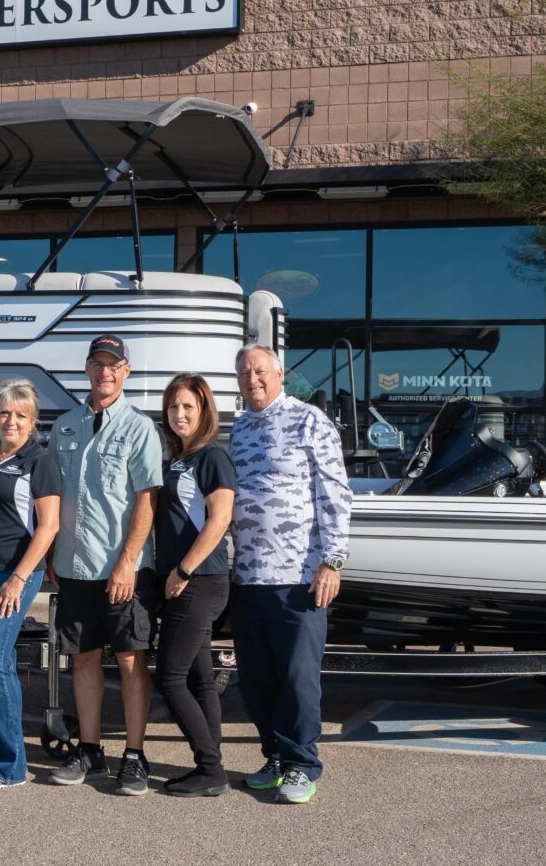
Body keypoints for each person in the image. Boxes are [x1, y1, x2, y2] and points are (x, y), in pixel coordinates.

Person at [230, 344, 351, 805]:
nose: (252, 379)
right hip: (248, 577)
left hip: (299, 575)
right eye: (244, 373)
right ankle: (276, 758)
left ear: (279, 373)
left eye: (260, 371)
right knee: (257, 676)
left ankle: (302, 764)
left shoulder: (309, 420)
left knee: (299, 676)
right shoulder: (239, 428)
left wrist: (333, 560)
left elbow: (335, 493)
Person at [48, 334, 163, 795]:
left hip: (124, 571)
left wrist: (127, 563)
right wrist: (52, 553)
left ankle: (134, 755)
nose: (105, 372)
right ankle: (90, 750)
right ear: (88, 368)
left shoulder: (139, 428)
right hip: (74, 567)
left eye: (113, 365)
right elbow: (51, 497)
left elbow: (146, 499)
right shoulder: (65, 426)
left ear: (126, 372)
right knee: (83, 659)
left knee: (132, 660)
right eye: (98, 363)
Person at [0, 379, 61, 791]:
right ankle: (5, 758)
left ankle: (6, 766)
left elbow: (49, 525)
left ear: (33, 421)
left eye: (21, 415)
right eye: (4, 413)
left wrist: (19, 578)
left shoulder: (40, 461)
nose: (11, 421)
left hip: (13, 575)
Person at [154, 373, 234, 797]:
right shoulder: (177, 459)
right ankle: (211, 763)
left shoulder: (211, 458)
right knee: (202, 680)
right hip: (190, 581)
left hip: (198, 581)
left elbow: (220, 519)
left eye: (188, 406)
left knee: (170, 678)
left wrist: (182, 571)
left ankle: (210, 767)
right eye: (173, 407)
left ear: (204, 410)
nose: (179, 414)